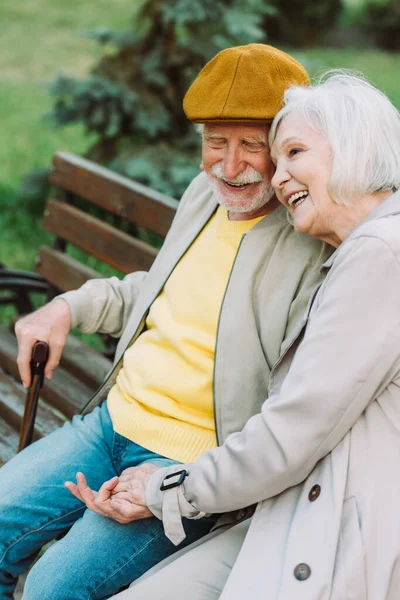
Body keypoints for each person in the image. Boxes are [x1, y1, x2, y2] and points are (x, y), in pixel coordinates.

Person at [0, 45, 329, 600]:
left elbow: (292, 409)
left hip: (187, 464)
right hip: (109, 424)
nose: (228, 167)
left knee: (52, 587)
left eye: (251, 144)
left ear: (286, 145)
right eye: (214, 142)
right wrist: (68, 307)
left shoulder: (311, 235)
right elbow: (155, 291)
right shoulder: (205, 195)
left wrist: (173, 487)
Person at [108, 71, 400, 599]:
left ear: (355, 146)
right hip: (295, 501)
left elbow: (292, 432)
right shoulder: (361, 247)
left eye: (293, 152)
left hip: (339, 527)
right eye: (280, 157)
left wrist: (168, 488)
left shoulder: (380, 253)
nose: (280, 174)